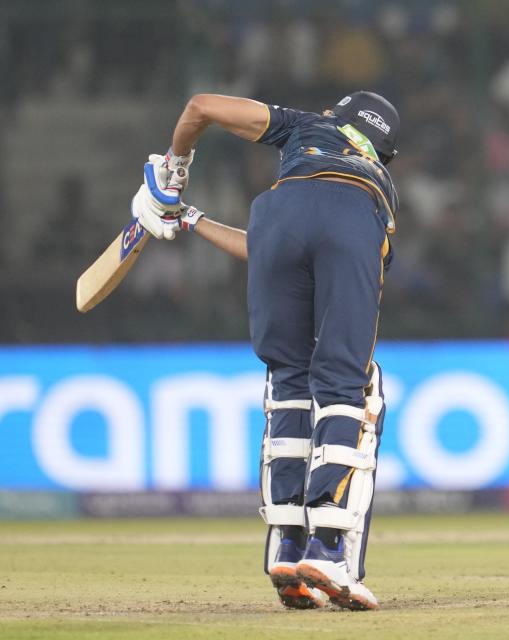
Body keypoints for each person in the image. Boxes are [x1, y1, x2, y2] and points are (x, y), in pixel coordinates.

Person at [130, 91, 400, 612]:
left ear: (334, 116)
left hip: (277, 214)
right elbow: (342, 239)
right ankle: (328, 552)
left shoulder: (305, 130)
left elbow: (200, 107)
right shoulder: (379, 182)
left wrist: (176, 186)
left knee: (289, 384)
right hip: (352, 219)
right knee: (351, 385)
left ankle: (288, 549)